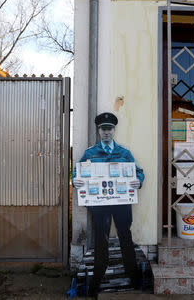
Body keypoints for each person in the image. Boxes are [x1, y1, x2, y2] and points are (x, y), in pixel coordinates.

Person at [72, 112, 145, 297]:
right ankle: (96, 283)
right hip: (100, 206)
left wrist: (138, 180)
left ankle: (133, 279)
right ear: (99, 130)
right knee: (100, 241)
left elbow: (138, 172)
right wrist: (76, 181)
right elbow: (77, 173)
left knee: (125, 237)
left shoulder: (124, 152)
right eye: (103, 129)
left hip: (122, 205)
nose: (106, 132)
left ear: (114, 130)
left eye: (109, 129)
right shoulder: (90, 153)